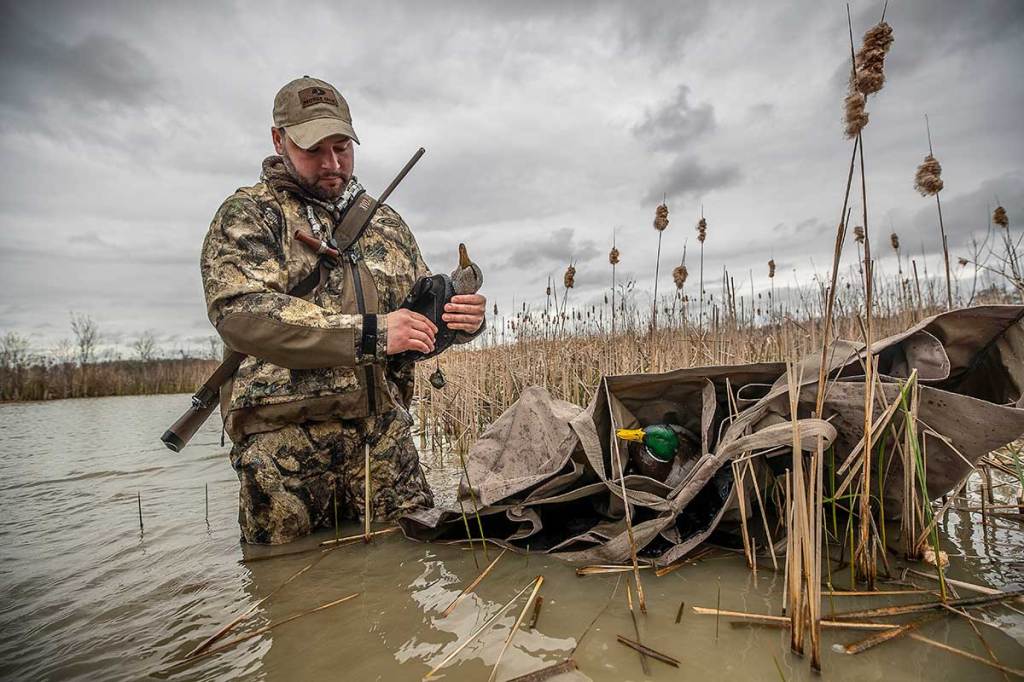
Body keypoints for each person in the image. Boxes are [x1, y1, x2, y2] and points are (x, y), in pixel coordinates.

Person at [200, 76, 486, 544]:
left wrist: (458, 323)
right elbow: (241, 315)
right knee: (287, 597)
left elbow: (411, 329)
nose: (332, 163)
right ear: (279, 139)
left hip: (384, 443)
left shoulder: (387, 224)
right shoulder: (249, 215)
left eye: (342, 147)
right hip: (282, 450)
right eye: (315, 148)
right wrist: (371, 333)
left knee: (413, 576)